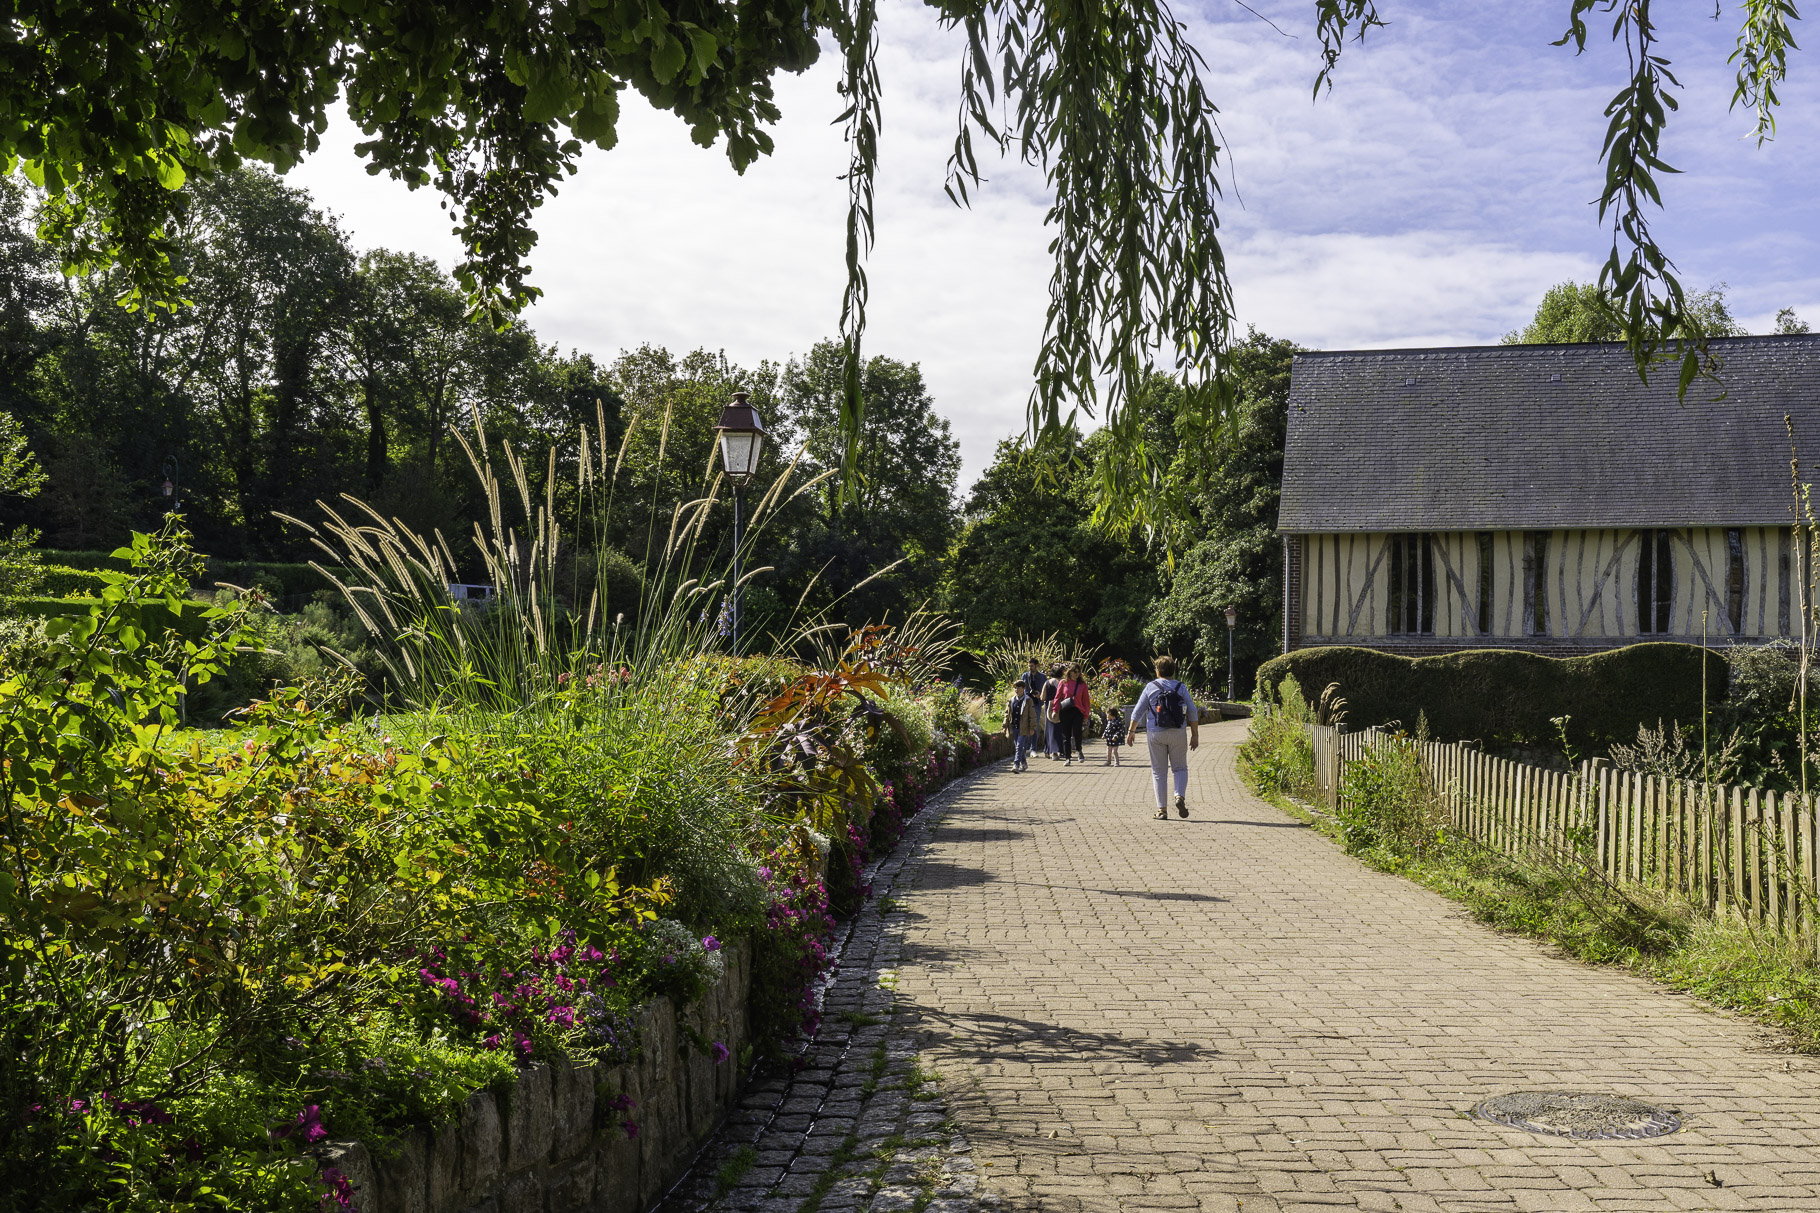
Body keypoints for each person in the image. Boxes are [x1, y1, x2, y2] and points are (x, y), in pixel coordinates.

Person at [1126, 656, 1200, 819]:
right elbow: (1193, 711)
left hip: (1155, 732)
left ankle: (1162, 810)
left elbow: (1138, 711)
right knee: (1180, 768)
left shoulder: (1150, 687)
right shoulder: (1181, 687)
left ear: (1157, 671)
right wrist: (1195, 735)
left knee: (1159, 771)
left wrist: (1131, 731)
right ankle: (1179, 795)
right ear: (1173, 670)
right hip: (1178, 732)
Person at [1051, 662, 1092, 765]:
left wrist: (1086, 715)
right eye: (1075, 672)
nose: (1077, 674)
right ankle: (1067, 757)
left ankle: (1079, 750)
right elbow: (1058, 697)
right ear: (1069, 672)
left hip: (1077, 711)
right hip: (1065, 710)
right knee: (1066, 735)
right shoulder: (1063, 683)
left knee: (1077, 732)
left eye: (1078, 672)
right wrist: (1055, 710)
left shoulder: (1082, 685)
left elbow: (1086, 701)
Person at [1002, 678, 1041, 772]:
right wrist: (1004, 726)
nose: (1016, 690)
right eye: (1015, 688)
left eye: (1018, 688)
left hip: (1023, 728)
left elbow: (1032, 715)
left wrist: (1032, 727)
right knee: (1019, 747)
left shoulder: (1028, 700)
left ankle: (1016, 765)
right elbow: (1007, 714)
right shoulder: (1011, 700)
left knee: (1019, 746)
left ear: (1023, 688)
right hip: (1014, 727)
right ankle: (1024, 763)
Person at [1041, 664, 1064, 760]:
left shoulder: (1047, 683)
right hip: (1061, 706)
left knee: (1049, 729)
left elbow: (1043, 697)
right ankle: (1061, 750)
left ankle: (1049, 751)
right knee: (1060, 729)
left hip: (1049, 708)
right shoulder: (1063, 682)